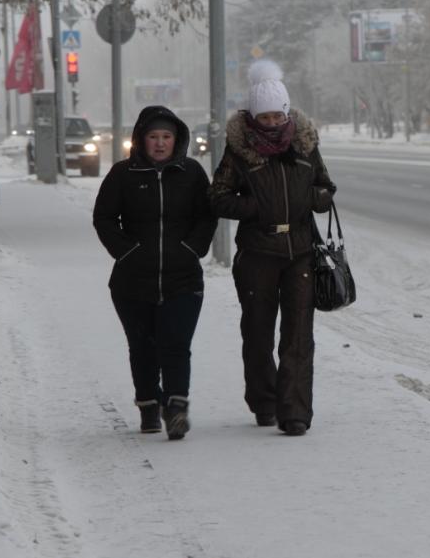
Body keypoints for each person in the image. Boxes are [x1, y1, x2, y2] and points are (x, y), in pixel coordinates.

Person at [209, 59, 336, 437]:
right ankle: (264, 401)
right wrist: (255, 208)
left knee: (298, 336)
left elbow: (326, 187)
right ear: (252, 117)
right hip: (257, 254)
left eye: (275, 117)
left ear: (285, 113)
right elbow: (217, 197)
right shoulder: (240, 151)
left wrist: (315, 199)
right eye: (262, 118)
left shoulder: (304, 145)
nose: (270, 124)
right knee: (259, 332)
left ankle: (295, 411)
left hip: (299, 252)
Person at [93, 106, 217, 440]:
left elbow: (207, 217)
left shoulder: (191, 173)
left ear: (176, 140)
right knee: (143, 347)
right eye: (153, 137)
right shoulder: (123, 174)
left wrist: (191, 248)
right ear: (141, 140)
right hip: (132, 281)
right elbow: (104, 218)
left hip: (183, 279)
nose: (160, 144)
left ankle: (176, 408)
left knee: (176, 344)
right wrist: (127, 252)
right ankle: (149, 406)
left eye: (166, 137)